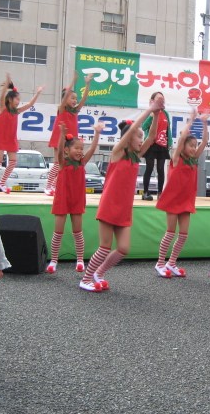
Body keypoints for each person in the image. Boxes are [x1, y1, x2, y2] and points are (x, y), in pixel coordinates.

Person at [83, 120, 149, 292]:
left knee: (124, 248)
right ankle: (86, 279)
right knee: (105, 246)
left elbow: (154, 136)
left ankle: (99, 273)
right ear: (128, 138)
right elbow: (133, 130)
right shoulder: (117, 153)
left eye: (142, 137)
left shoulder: (136, 157)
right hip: (109, 205)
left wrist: (156, 114)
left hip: (124, 209)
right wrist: (150, 110)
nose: (142, 140)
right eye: (139, 136)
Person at [152, 106, 207, 278]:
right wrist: (191, 119)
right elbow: (183, 136)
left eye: (194, 146)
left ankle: (172, 262)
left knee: (183, 235)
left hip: (186, 201)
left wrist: (204, 124)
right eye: (190, 145)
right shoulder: (176, 158)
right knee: (170, 232)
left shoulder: (193, 160)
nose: (193, 148)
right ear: (182, 147)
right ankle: (160, 263)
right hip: (173, 200)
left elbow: (205, 141)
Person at [45, 89, 90, 274]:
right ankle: (53, 260)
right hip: (65, 141)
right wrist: (63, 134)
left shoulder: (81, 161)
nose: (74, 100)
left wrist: (86, 85)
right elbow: (63, 149)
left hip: (76, 199)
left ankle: (80, 259)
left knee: (77, 232)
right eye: (72, 97)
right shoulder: (62, 110)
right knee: (58, 232)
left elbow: (91, 149)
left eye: (75, 97)